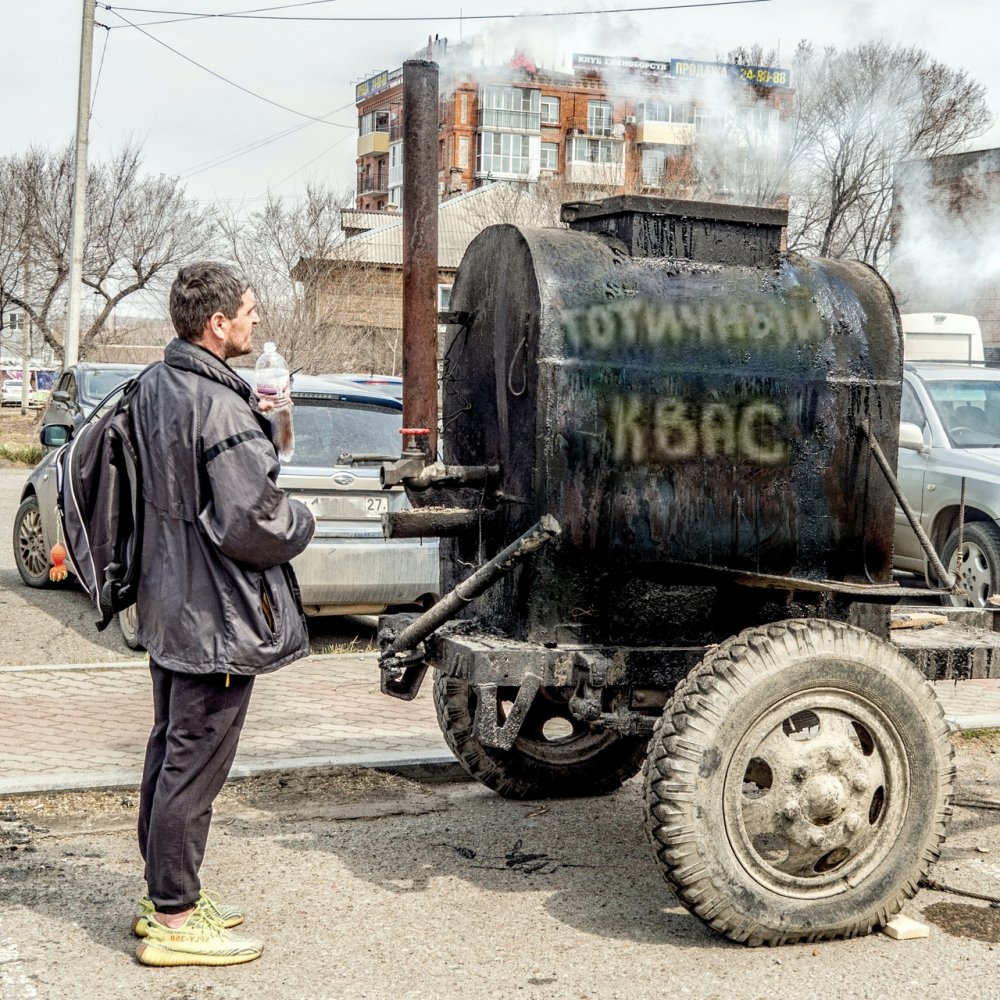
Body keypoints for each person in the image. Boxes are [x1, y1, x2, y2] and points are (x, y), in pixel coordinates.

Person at [130, 262, 315, 968]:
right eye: (248, 308)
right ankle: (176, 917)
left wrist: (265, 424)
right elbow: (254, 522)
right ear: (218, 324)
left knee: (169, 749)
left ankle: (164, 895)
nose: (256, 318)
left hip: (169, 600)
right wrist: (304, 518)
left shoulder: (156, 384)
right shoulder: (217, 405)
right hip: (217, 614)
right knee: (193, 764)